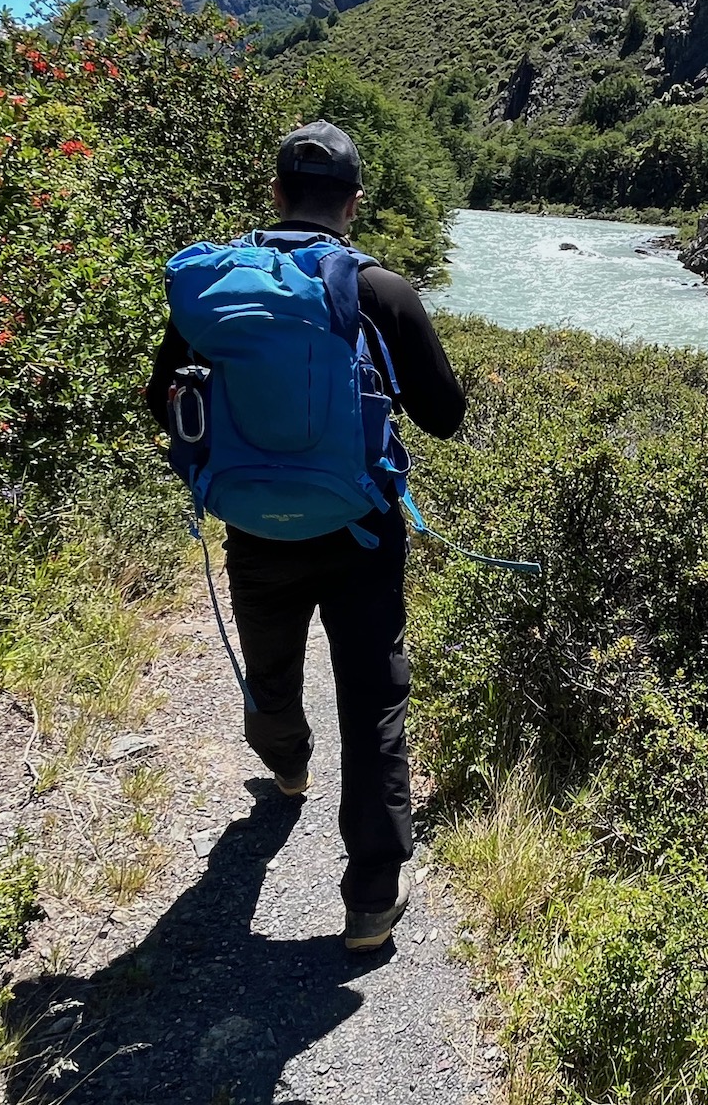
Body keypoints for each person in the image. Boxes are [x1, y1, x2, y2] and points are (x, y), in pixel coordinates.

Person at [143, 120, 466, 951]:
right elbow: (445, 415)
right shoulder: (380, 290)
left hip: (255, 525)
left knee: (272, 668)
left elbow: (160, 399)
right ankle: (372, 898)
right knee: (373, 695)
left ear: (277, 194)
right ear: (353, 204)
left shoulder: (223, 285)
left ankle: (287, 765)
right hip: (361, 528)